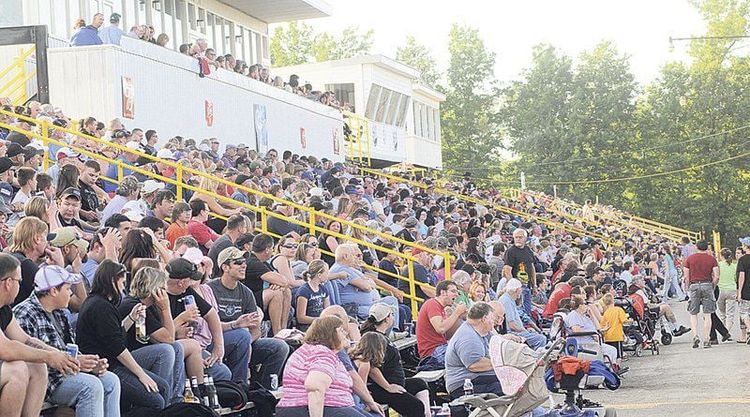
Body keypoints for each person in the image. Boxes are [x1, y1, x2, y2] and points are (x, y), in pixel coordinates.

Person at [13, 265, 121, 417]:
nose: (70, 293)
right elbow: (28, 361)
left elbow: (70, 350)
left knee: (111, 380)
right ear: (53, 290)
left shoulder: (60, 313)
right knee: (90, 386)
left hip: (65, 373)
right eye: (68, 288)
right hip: (46, 381)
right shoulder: (24, 313)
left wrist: (89, 365)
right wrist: (76, 363)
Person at [76, 260, 171, 413]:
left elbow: (116, 333)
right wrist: (141, 375)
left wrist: (131, 318)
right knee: (156, 401)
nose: (122, 287)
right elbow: (117, 348)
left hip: (113, 361)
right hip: (108, 366)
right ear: (112, 281)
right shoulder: (100, 307)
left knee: (163, 388)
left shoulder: (100, 302)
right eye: (121, 282)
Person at [0, 254, 80, 417]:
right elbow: (6, 349)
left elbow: (25, 339)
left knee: (37, 365)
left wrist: (57, 354)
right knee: (17, 369)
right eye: (19, 281)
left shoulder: (4, 309)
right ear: (8, 283)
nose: (21, 286)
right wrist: (49, 356)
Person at [118, 267, 207, 403]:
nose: (165, 292)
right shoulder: (134, 305)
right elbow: (168, 338)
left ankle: (175, 399)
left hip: (143, 352)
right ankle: (164, 400)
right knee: (166, 350)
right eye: (162, 288)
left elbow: (169, 338)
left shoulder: (150, 305)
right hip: (126, 359)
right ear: (154, 288)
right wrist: (166, 309)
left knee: (176, 348)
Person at [207, 247, 290, 388]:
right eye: (238, 262)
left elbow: (255, 330)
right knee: (241, 335)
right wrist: (239, 329)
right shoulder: (210, 289)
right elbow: (206, 327)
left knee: (280, 347)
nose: (244, 265)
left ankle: (262, 390)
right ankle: (239, 388)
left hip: (243, 342)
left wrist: (248, 342)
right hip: (214, 341)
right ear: (225, 267)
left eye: (244, 262)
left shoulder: (246, 292)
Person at [275, 316, 375, 417]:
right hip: (310, 408)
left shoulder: (322, 352)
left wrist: (370, 403)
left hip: (330, 407)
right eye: (341, 330)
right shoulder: (321, 352)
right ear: (331, 334)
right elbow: (315, 387)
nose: (346, 333)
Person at [163, 258, 231, 382]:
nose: (194, 282)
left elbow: (211, 314)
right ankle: (196, 393)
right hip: (168, 348)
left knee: (222, 373)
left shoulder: (186, 291)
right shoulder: (160, 296)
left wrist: (219, 346)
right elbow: (159, 336)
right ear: (181, 282)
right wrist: (180, 322)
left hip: (191, 345)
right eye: (191, 279)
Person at [351, 329, 430, 417]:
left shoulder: (361, 358)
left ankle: (427, 414)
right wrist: (370, 402)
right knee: (416, 405)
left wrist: (388, 386)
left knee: (419, 383)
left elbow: (373, 370)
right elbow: (361, 386)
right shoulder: (364, 362)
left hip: (371, 391)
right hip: (364, 395)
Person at [445, 302, 502, 399]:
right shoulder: (468, 337)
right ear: (484, 319)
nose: (494, 322)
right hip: (462, 385)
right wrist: (503, 363)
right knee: (506, 386)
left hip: (476, 378)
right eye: (492, 319)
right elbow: (475, 365)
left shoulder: (481, 331)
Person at [415, 280, 466, 367]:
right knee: (468, 355)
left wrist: (459, 316)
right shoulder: (432, 304)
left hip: (440, 349)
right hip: (432, 354)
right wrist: (456, 313)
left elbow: (448, 335)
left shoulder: (442, 308)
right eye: (453, 291)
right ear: (443, 292)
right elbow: (440, 329)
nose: (456, 295)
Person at [683, 240, 719, 349]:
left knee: (693, 313)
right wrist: (712, 285)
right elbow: (716, 276)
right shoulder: (712, 259)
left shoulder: (690, 259)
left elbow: (686, 277)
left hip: (694, 285)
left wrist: (688, 287)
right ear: (706, 248)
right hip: (707, 284)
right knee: (707, 314)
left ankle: (695, 335)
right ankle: (707, 339)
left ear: (696, 247)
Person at [499, 279, 547, 350]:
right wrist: (525, 330)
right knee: (541, 339)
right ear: (517, 290)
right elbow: (512, 325)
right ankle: (535, 359)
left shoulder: (509, 299)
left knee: (537, 334)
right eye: (520, 289)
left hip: (517, 331)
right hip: (513, 333)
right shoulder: (507, 301)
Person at [503, 229, 536, 316]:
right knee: (520, 311)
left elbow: (532, 267)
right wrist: (513, 287)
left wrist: (534, 284)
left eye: (520, 237)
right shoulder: (511, 251)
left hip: (527, 284)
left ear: (525, 238)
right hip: (517, 286)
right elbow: (507, 270)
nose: (518, 239)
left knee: (527, 311)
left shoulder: (528, 249)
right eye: (516, 237)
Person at [296, 259, 331, 331]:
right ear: (319, 275)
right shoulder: (304, 291)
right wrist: (320, 320)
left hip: (321, 324)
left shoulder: (323, 289)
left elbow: (327, 309)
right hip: (308, 327)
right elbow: (300, 318)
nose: (328, 275)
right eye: (327, 272)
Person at [716, 248, 737, 335]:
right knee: (730, 313)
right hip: (732, 289)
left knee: (722, 313)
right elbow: (736, 279)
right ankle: (727, 331)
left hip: (720, 290)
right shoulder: (734, 266)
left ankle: (724, 331)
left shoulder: (718, 265)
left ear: (721, 256)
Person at [736, 237, 750, 344]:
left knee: (744, 313)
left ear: (745, 246)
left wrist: (739, 292)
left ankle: (749, 329)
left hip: (746, 290)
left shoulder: (742, 260)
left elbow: (741, 276)